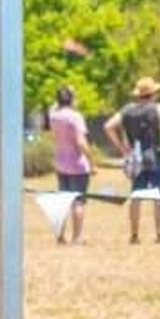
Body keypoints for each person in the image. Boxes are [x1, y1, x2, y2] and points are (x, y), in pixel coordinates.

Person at [105, 76, 160, 244]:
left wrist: (122, 148)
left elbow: (108, 126)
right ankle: (159, 234)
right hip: (155, 156)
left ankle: (134, 235)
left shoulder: (127, 110)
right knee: (158, 196)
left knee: (136, 196)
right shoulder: (157, 108)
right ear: (153, 94)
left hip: (135, 159)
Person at [49, 85, 95, 244]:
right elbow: (81, 142)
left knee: (62, 201)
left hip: (60, 162)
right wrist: (92, 161)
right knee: (78, 201)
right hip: (77, 164)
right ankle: (77, 237)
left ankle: (60, 236)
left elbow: (53, 106)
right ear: (72, 99)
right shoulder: (75, 117)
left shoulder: (53, 116)